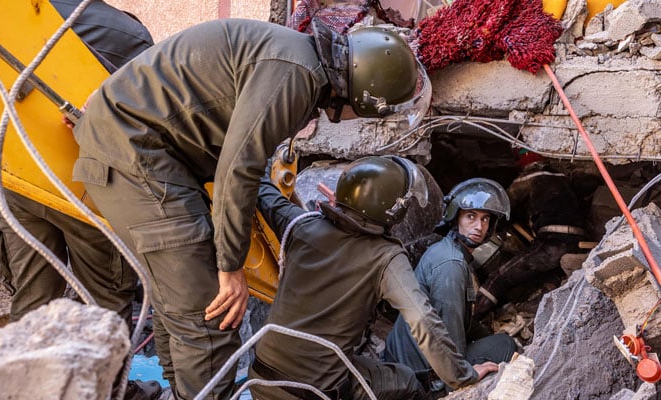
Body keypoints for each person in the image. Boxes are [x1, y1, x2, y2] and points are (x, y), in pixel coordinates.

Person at [70, 17, 431, 400]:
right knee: (211, 313)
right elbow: (238, 169)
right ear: (366, 95)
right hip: (138, 156)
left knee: (180, 305)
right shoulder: (297, 76)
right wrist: (231, 267)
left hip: (139, 149)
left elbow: (243, 163)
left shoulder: (295, 58)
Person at [0, 1, 158, 399]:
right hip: (90, 189)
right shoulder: (127, 33)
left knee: (32, 305)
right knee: (103, 306)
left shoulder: (1, 16)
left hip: (17, 179)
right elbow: (147, 122)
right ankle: (107, 391)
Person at [247, 156, 497, 400]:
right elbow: (423, 320)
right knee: (407, 381)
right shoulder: (386, 257)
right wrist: (464, 377)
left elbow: (264, 193)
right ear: (393, 210)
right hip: (313, 390)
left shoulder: (302, 225)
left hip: (261, 374)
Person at [384, 178, 517, 398]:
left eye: (485, 219)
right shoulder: (451, 266)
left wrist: (485, 334)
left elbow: (461, 318)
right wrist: (462, 380)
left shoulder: (446, 250)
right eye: (471, 216)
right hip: (419, 377)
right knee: (504, 345)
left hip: (400, 358)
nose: (479, 226)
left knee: (494, 339)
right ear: (456, 217)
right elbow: (449, 328)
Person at [473, 155, 587, 319]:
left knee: (499, 278)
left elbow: (505, 204)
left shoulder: (531, 176)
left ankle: (473, 317)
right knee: (546, 277)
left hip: (553, 241)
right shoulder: (561, 176)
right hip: (579, 241)